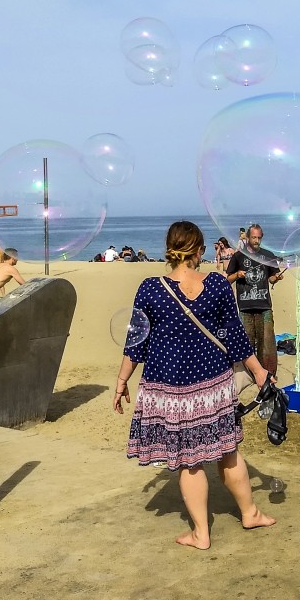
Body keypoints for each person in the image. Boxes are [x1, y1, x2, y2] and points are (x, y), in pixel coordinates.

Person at [113, 220, 276, 550]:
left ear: (170, 250)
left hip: (170, 390)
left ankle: (201, 533)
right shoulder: (216, 284)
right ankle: (250, 512)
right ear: (200, 251)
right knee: (227, 452)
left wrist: (120, 382)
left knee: (190, 461)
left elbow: (135, 343)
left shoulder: (149, 288)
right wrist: (259, 372)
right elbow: (235, 338)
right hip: (213, 385)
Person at [225, 224, 283, 378]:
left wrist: (276, 278)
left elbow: (271, 278)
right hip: (245, 307)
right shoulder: (238, 256)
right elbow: (228, 279)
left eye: (259, 238)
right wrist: (237, 274)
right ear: (247, 238)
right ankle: (246, 375)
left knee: (267, 344)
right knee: (246, 343)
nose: (256, 240)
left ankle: (269, 374)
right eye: (254, 237)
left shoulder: (268, 255)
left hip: (264, 306)